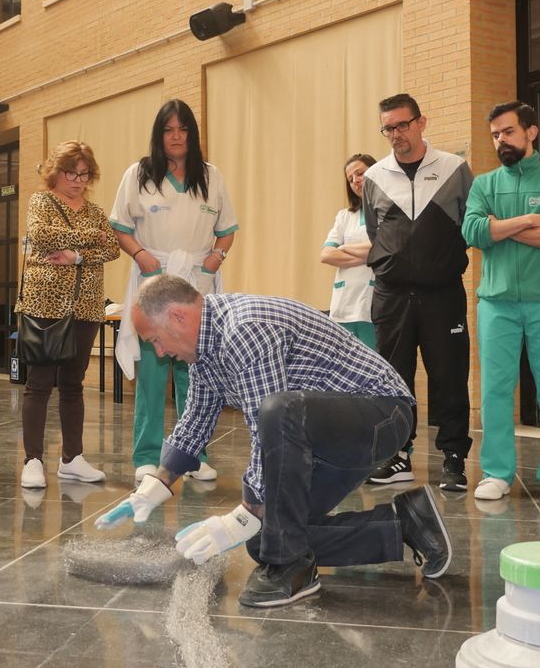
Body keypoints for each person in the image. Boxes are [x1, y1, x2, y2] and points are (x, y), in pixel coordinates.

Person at [97, 276, 452, 609]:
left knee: (277, 413)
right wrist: (156, 485)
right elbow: (195, 419)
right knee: (269, 539)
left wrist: (243, 514)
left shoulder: (244, 329)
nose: (159, 352)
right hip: (326, 435)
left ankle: (291, 570)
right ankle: (408, 523)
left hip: (382, 416)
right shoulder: (204, 349)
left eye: (155, 339)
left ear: (177, 317)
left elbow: (267, 421)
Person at [110, 100, 239, 483]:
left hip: (196, 282)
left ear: (192, 134)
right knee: (151, 372)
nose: (177, 136)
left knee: (195, 373)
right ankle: (147, 455)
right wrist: (141, 255)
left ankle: (193, 453)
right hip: (154, 279)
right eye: (169, 129)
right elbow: (119, 226)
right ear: (159, 134)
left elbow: (227, 229)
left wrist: (217, 257)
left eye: (183, 129)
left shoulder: (211, 176)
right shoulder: (138, 174)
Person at [462, 103, 540, 503]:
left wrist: (500, 228)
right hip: (495, 303)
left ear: (531, 132)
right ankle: (496, 472)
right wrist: (530, 220)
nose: (501, 140)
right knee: (495, 389)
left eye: (508, 132)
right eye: (495, 134)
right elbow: (474, 231)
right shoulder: (484, 184)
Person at [362, 93, 475, 493]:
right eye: (388, 128)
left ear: (421, 122)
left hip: (442, 294)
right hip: (391, 296)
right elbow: (376, 235)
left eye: (402, 125)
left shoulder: (454, 169)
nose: (395, 134)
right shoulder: (375, 177)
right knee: (393, 378)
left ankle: (453, 457)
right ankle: (397, 455)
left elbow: (469, 225)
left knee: (449, 376)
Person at [17, 140, 121, 489]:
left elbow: (112, 247)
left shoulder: (94, 210)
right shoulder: (40, 201)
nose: (77, 180)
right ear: (55, 172)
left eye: (84, 174)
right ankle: (32, 460)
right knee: (39, 383)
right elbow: (41, 235)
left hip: (87, 306)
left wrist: (78, 255)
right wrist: (89, 238)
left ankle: (72, 458)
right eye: (70, 173)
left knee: (73, 384)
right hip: (45, 304)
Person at [320, 154, 378, 352]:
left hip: (371, 303)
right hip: (344, 304)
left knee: (373, 364)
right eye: (350, 179)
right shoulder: (345, 216)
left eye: (360, 173)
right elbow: (326, 255)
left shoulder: (386, 210)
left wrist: (343, 248)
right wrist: (368, 255)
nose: (355, 181)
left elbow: (384, 248)